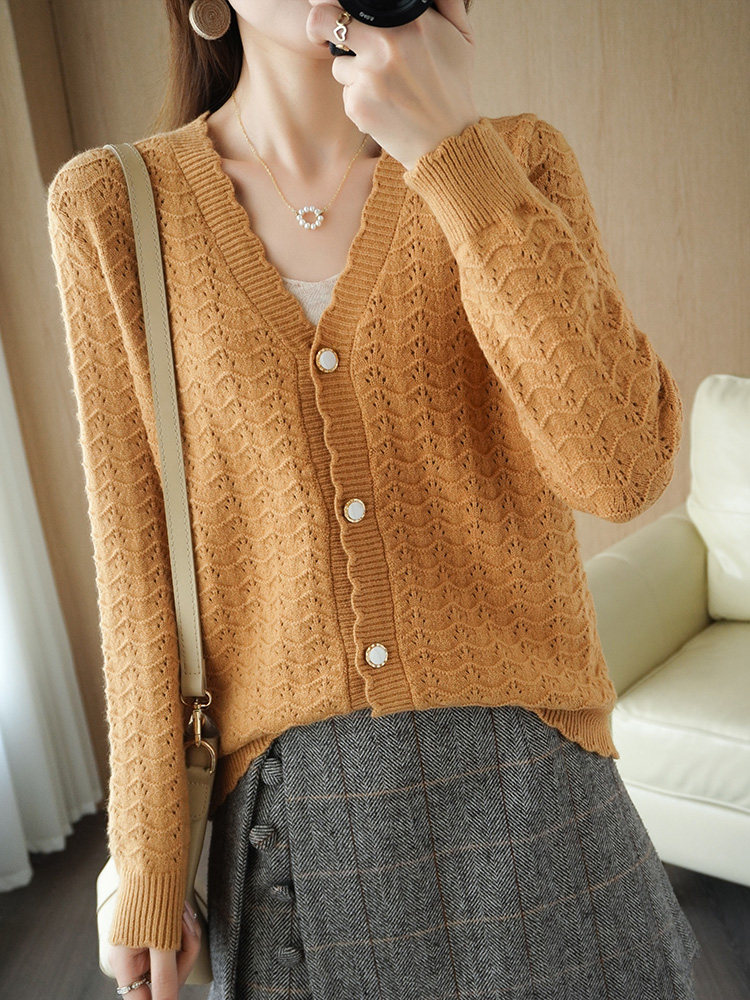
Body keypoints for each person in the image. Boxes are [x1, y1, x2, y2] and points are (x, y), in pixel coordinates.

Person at [46, 1, 702, 998]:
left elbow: (622, 469)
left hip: (542, 796)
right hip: (297, 832)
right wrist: (146, 858)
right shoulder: (111, 207)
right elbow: (133, 572)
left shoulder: (514, 160)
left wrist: (450, 149)